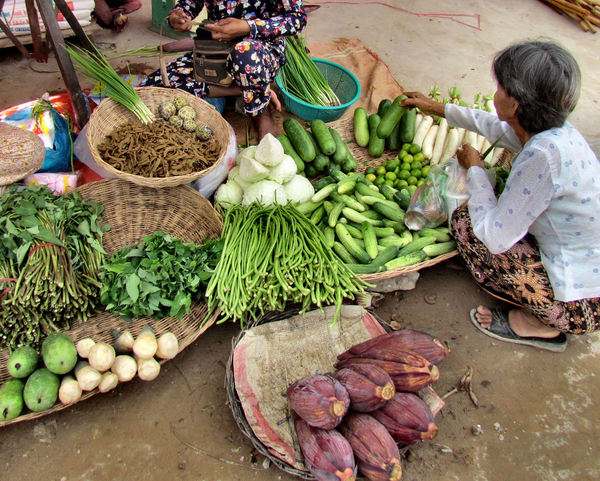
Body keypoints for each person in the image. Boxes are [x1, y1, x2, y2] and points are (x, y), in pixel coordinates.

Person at [401, 40, 600, 352]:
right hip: (585, 263)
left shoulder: (543, 158)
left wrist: (475, 170)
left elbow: (494, 237)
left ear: (515, 105)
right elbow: (494, 126)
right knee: (487, 205)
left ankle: (543, 324)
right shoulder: (553, 132)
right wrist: (438, 108)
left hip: (582, 300)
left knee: (468, 225)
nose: (496, 91)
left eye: (500, 87)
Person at [141, 0, 307, 140]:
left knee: (245, 53)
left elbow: (297, 19)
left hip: (258, 50)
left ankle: (260, 108)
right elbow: (190, 4)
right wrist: (180, 15)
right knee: (155, 85)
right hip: (215, 50)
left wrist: (248, 27)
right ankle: (246, 91)